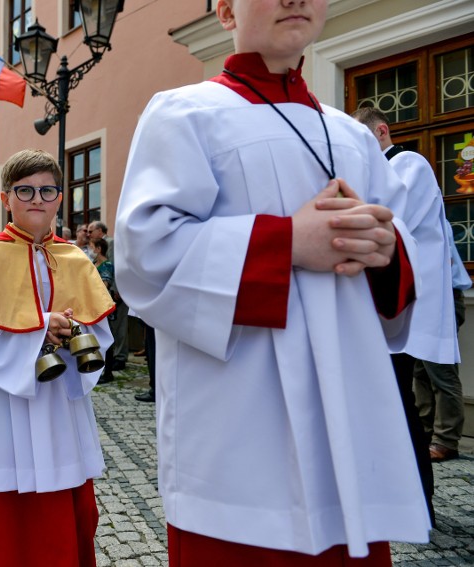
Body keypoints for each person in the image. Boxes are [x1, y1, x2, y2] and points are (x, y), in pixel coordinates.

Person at [115, 0, 431, 564]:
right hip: (239, 423)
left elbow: (400, 246)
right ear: (225, 11)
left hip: (349, 408)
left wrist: (387, 250)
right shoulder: (184, 113)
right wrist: (286, 243)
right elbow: (146, 257)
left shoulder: (351, 136)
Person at [0, 149, 114, 566]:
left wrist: (72, 332)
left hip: (57, 398)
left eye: (47, 190)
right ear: (6, 198)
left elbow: (100, 329)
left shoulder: (73, 257)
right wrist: (37, 330)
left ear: (59, 197)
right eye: (25, 190)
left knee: (61, 489)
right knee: (5, 501)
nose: (37, 198)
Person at [353, 106, 458, 521]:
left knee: (400, 403)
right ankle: (400, 500)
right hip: (388, 306)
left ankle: (419, 506)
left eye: (364, 141)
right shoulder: (379, 170)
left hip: (406, 305)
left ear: (381, 132)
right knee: (392, 403)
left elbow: (390, 221)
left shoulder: (407, 162)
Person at [413, 220, 471, 462]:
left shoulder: (431, 219)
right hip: (422, 299)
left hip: (441, 298)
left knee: (441, 371)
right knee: (420, 372)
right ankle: (425, 433)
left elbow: (439, 262)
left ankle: (446, 441)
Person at [89, 220, 127, 370]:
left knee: (119, 326)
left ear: (100, 230)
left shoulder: (110, 242)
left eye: (91, 231)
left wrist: (118, 289)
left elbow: (116, 265)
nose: (88, 234)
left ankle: (120, 357)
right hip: (104, 293)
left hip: (113, 290)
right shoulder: (96, 255)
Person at [90, 237, 116, 384]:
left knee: (108, 337)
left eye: (93, 247)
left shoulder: (107, 265)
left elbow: (104, 285)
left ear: (99, 249)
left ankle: (108, 372)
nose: (91, 250)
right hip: (93, 304)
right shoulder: (93, 263)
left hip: (104, 305)